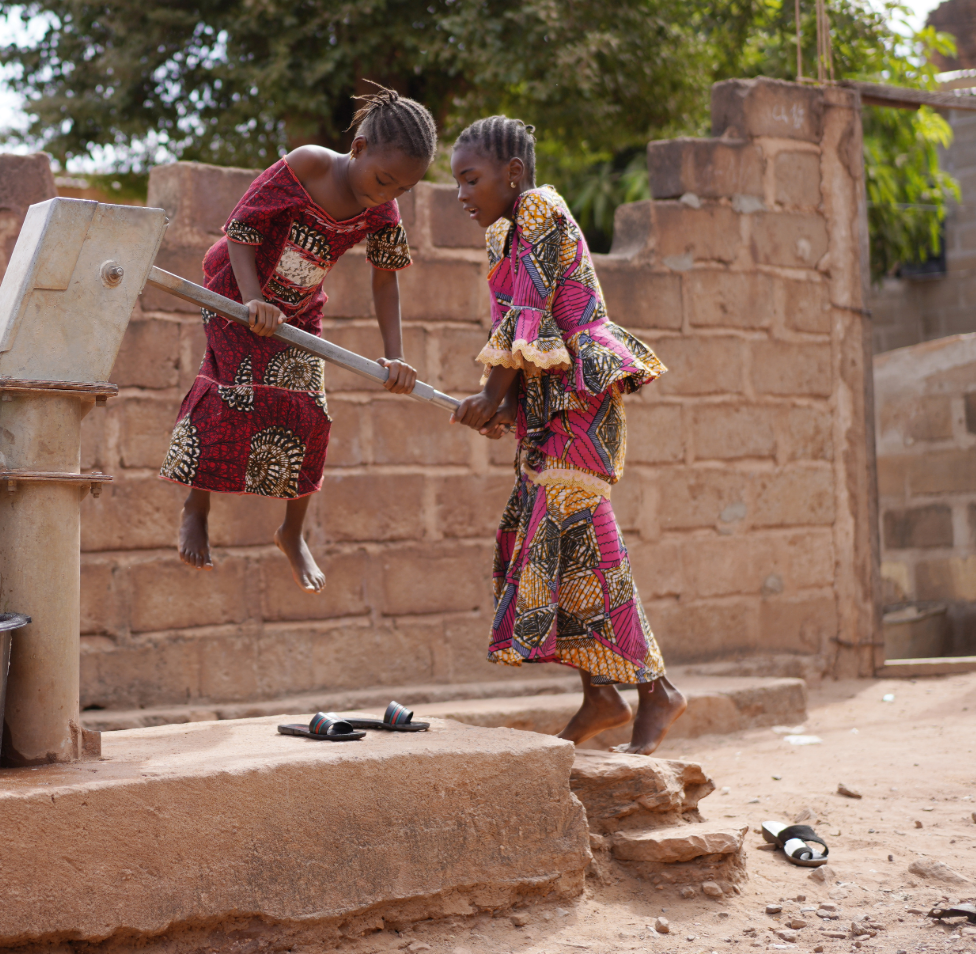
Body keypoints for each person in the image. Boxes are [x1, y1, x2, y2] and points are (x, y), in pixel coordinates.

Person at [447, 116, 687, 755]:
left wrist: (490, 396)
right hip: (549, 408)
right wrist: (504, 408)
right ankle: (600, 695)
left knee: (587, 541)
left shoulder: (537, 211)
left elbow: (529, 315)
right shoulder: (505, 233)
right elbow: (527, 340)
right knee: (562, 545)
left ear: (513, 174)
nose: (461, 195)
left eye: (471, 179)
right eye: (456, 183)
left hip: (580, 407)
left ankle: (655, 689)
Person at [160, 86, 435, 591]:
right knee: (231, 389)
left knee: (311, 410)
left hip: (299, 308)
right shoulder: (308, 165)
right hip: (233, 285)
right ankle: (196, 507)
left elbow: (385, 277)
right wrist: (249, 302)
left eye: (401, 190)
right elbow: (241, 228)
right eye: (383, 179)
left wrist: (396, 356)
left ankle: (292, 531)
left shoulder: (382, 212)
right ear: (359, 148)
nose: (387, 194)